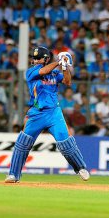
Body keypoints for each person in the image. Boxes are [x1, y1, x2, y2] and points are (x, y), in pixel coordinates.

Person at [5, 46, 89, 183]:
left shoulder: (55, 74)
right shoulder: (31, 72)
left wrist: (65, 65)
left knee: (65, 142)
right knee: (23, 143)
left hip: (54, 113)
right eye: (34, 58)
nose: (35, 60)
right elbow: (43, 70)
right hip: (36, 113)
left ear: (46, 59)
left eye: (38, 58)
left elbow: (67, 81)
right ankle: (13, 175)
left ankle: (80, 168)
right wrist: (58, 62)